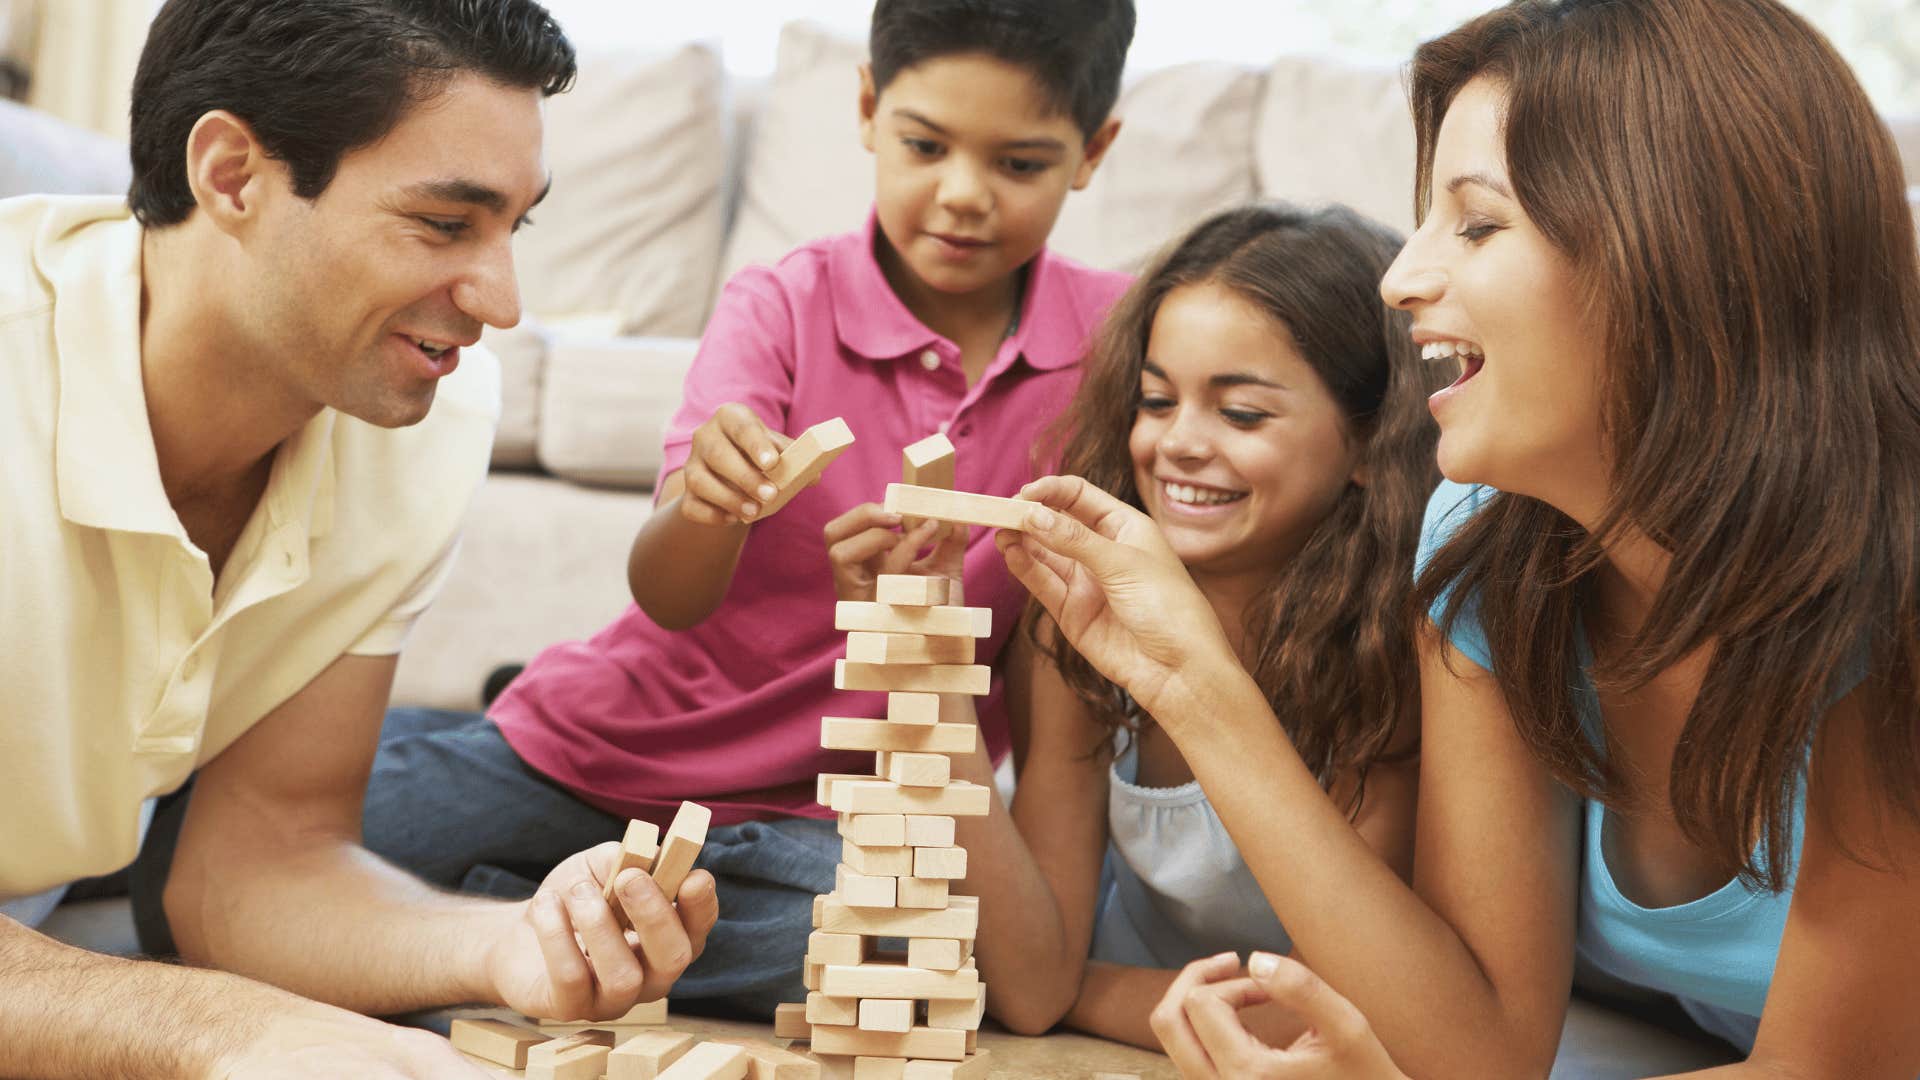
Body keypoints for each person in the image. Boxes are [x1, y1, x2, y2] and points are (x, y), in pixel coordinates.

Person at [993, 0, 1920, 1075]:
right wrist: (1194, 684)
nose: (1401, 281)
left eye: (1477, 225)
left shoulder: (1890, 580)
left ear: (1677, 255)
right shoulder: (1487, 543)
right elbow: (1476, 1046)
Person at [355, 0, 1137, 1017]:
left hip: (832, 821)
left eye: (1019, 165)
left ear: (1093, 151)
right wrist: (709, 510)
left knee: (907, 959)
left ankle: (509, 916)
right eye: (924, 144)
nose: (961, 196)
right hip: (605, 753)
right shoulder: (780, 305)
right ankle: (521, 887)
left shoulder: (1113, 347)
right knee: (280, 848)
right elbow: (668, 596)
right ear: (866, 109)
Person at [1, 3, 714, 1076]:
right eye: (442, 223)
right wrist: (231, 1030)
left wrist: (505, 943)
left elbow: (257, 861)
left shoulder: (416, 424)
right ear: (232, 174)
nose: (502, 303)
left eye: (512, 227)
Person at [885, 203, 1439, 1048]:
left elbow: (1322, 1015)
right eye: (1155, 399)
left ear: (1369, 445)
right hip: (1126, 970)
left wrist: (1082, 991)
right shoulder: (1082, 623)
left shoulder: (1394, 658)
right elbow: (1031, 988)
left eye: (1242, 413)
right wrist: (935, 672)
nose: (1179, 442)